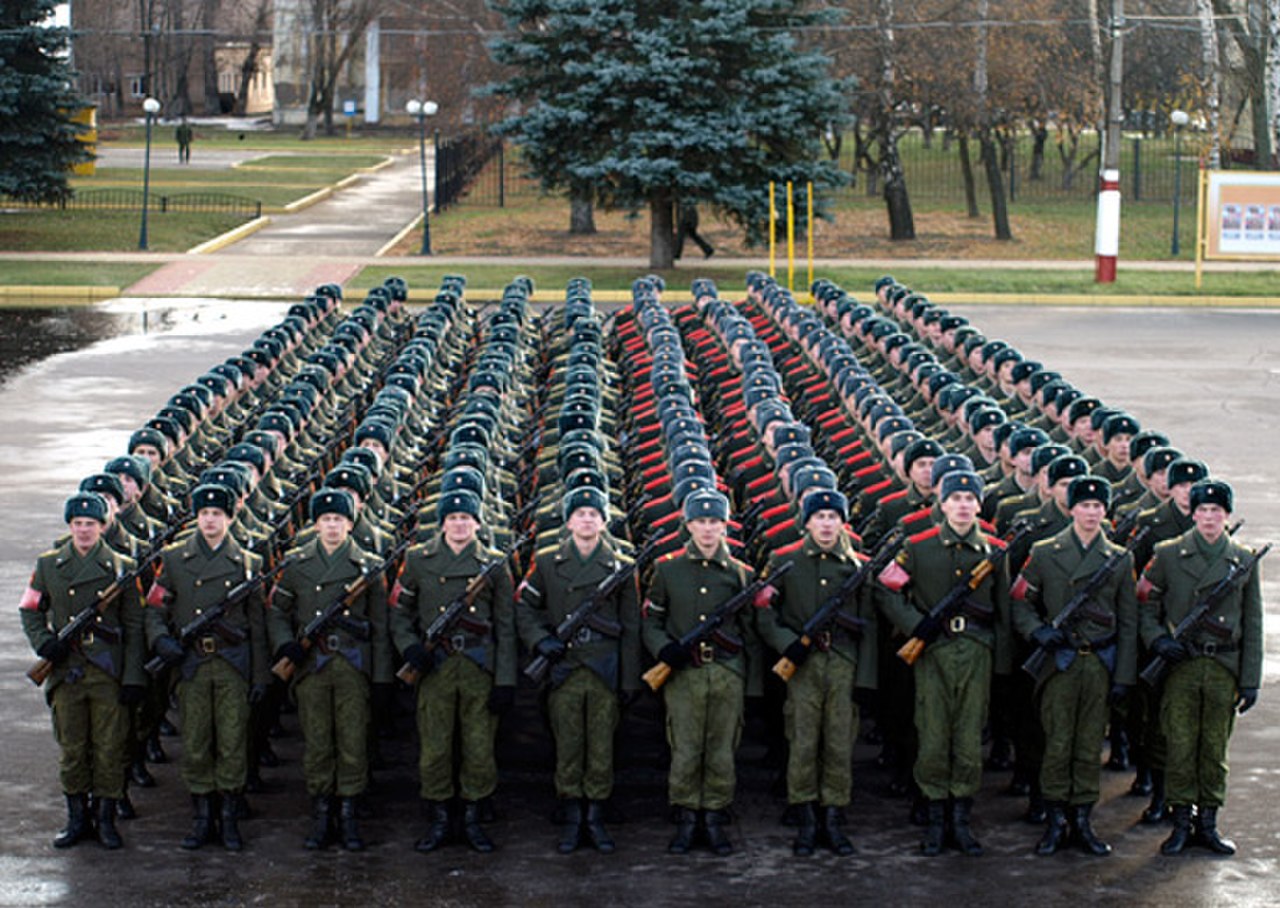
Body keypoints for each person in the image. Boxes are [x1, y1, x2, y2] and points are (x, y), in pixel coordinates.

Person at [878, 471, 1007, 857]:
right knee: (933, 733)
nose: (964, 505)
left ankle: (961, 819)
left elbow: (1002, 611)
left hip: (976, 651)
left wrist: (1001, 664)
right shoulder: (918, 547)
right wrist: (915, 624)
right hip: (932, 651)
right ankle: (935, 818)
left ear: (979, 505)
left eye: (971, 498)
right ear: (943, 503)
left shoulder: (995, 551)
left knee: (968, 736)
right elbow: (885, 588)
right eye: (956, 498)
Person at [1011, 475, 1137, 856]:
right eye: (1085, 505)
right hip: (1059, 662)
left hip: (1097, 662)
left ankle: (1082, 819)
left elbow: (1128, 621)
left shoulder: (1119, 557)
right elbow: (1020, 601)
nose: (1091, 512)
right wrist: (1037, 632)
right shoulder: (1046, 552)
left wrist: (1124, 675)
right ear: (1072, 508)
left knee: (1087, 748)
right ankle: (1055, 820)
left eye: (1098, 506)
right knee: (1058, 743)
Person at [1138, 479, 1263, 856]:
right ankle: (1180, 823)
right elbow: (1145, 603)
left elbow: (1252, 622)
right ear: (1192, 513)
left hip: (1223, 665)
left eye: (1217, 511)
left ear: (1227, 515)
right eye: (1203, 510)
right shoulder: (1168, 553)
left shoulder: (1242, 558)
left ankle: (1207, 823)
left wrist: (1250, 679)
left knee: (1213, 749)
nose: (1210, 517)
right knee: (1179, 745)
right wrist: (1158, 639)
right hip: (1182, 665)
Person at [144, 483, 268, 851]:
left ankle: (228, 817)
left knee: (232, 741)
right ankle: (202, 816)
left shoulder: (249, 563)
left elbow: (258, 627)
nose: (210, 520)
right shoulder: (175, 559)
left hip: (232, 665)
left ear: (230, 518)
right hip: (193, 663)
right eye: (204, 514)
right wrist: (161, 641)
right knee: (196, 742)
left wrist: (261, 675)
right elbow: (154, 609)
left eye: (217, 514)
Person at [516, 486, 640, 854]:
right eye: (580, 513)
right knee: (569, 744)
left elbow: (630, 627)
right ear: (568, 521)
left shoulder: (621, 564)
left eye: (594, 514)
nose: (587, 519)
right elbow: (525, 608)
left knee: (600, 747)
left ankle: (595, 816)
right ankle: (572, 815)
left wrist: (630, 678)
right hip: (565, 666)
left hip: (604, 667)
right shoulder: (548, 560)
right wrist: (541, 641)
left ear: (604, 522)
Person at [391, 488, 515, 854]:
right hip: (436, 670)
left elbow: (505, 626)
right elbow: (400, 613)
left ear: (477, 523)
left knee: (479, 748)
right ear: (442, 522)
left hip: (478, 668)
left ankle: (474, 819)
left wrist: (505, 679)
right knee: (435, 748)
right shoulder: (418, 560)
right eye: (453, 518)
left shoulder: (494, 563)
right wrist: (410, 648)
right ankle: (441, 819)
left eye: (466, 518)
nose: (459, 524)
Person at [267, 488, 391, 851]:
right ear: (316, 524)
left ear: (350, 524)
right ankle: (322, 813)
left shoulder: (369, 566)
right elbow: (277, 611)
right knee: (318, 743)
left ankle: (349, 814)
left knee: (352, 743)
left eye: (339, 519)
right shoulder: (296, 562)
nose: (333, 526)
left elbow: (380, 627)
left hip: (352, 667)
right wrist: (285, 643)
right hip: (311, 668)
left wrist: (382, 677)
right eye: (326, 519)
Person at [19, 492, 145, 850]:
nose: (84, 530)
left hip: (107, 672)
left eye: (91, 524)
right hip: (67, 671)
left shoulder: (122, 567)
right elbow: (30, 609)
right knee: (72, 748)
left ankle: (105, 819)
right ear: (69, 526)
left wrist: (134, 676)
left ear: (103, 526)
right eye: (78, 524)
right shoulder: (49, 565)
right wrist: (45, 643)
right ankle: (77, 818)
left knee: (109, 749)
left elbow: (134, 627)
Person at [757, 489, 875, 857]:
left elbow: (869, 625)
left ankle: (834, 816)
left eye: (833, 517)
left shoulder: (856, 567)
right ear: (806, 522)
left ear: (843, 522)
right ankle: (806, 816)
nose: (826, 524)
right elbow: (763, 610)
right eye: (819, 517)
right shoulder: (784, 560)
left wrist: (865, 678)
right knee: (803, 740)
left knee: (839, 742)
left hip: (842, 661)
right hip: (803, 664)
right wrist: (785, 642)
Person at [642, 489, 754, 856]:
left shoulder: (741, 573)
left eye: (714, 522)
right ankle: (688, 815)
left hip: (725, 670)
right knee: (686, 747)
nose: (707, 529)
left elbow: (750, 632)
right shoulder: (667, 568)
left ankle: (715, 816)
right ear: (687, 525)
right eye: (700, 522)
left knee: (722, 748)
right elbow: (652, 621)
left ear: (725, 526)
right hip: (684, 672)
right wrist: (664, 649)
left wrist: (747, 681)